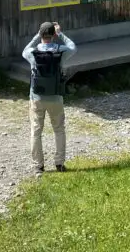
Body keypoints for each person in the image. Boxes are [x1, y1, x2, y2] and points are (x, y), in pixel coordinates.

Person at [21, 21, 76, 173]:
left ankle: (38, 165)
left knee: (36, 131)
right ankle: (59, 163)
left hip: (37, 97)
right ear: (53, 35)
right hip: (56, 96)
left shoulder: (33, 52)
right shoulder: (61, 51)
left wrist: (36, 37)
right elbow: (73, 47)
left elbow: (24, 50)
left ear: (41, 35)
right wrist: (61, 34)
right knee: (59, 129)